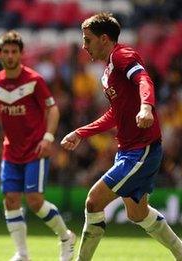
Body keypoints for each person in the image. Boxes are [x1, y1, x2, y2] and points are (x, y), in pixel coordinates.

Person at [61, 13, 182, 261]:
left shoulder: (121, 56)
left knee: (93, 202)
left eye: (88, 40)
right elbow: (114, 115)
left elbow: (144, 80)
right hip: (128, 149)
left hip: (142, 149)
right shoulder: (107, 71)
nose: (84, 46)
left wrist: (146, 107)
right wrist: (81, 132)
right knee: (137, 214)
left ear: (104, 39)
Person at [0, 30, 76, 261]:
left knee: (35, 201)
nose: (10, 55)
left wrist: (48, 138)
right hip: (10, 151)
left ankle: (66, 237)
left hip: (35, 150)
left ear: (21, 54)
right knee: (11, 200)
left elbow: (52, 108)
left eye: (14, 51)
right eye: (6, 51)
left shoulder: (34, 80)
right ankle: (22, 253)